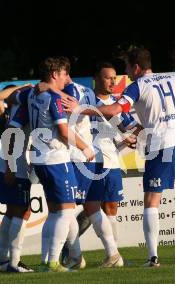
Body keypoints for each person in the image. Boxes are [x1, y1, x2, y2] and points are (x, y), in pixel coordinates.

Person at [63, 48, 175, 266]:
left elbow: (114, 109)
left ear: (136, 67)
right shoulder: (174, 79)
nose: (126, 73)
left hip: (160, 145)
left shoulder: (137, 86)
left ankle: (153, 257)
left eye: (127, 67)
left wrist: (80, 109)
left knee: (151, 202)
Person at [15, 57, 94, 272]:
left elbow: (14, 95)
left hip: (39, 159)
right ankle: (53, 262)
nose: (65, 78)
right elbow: (63, 131)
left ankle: (45, 260)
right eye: (62, 74)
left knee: (55, 212)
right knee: (67, 212)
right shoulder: (52, 98)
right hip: (56, 158)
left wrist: (41, 87)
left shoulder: (31, 93)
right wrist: (85, 147)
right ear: (53, 75)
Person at [63, 62, 137, 266]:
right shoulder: (86, 97)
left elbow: (131, 127)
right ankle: (79, 251)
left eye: (115, 78)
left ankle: (110, 254)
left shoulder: (115, 104)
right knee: (85, 207)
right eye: (108, 77)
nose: (113, 81)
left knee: (108, 207)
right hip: (85, 158)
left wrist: (129, 137)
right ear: (96, 78)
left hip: (108, 160)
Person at [0, 83, 34, 273]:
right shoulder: (8, 112)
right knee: (23, 211)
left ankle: (0, 260)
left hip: (11, 163)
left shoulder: (21, 110)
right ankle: (15, 262)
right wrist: (22, 87)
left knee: (11, 212)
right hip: (13, 163)